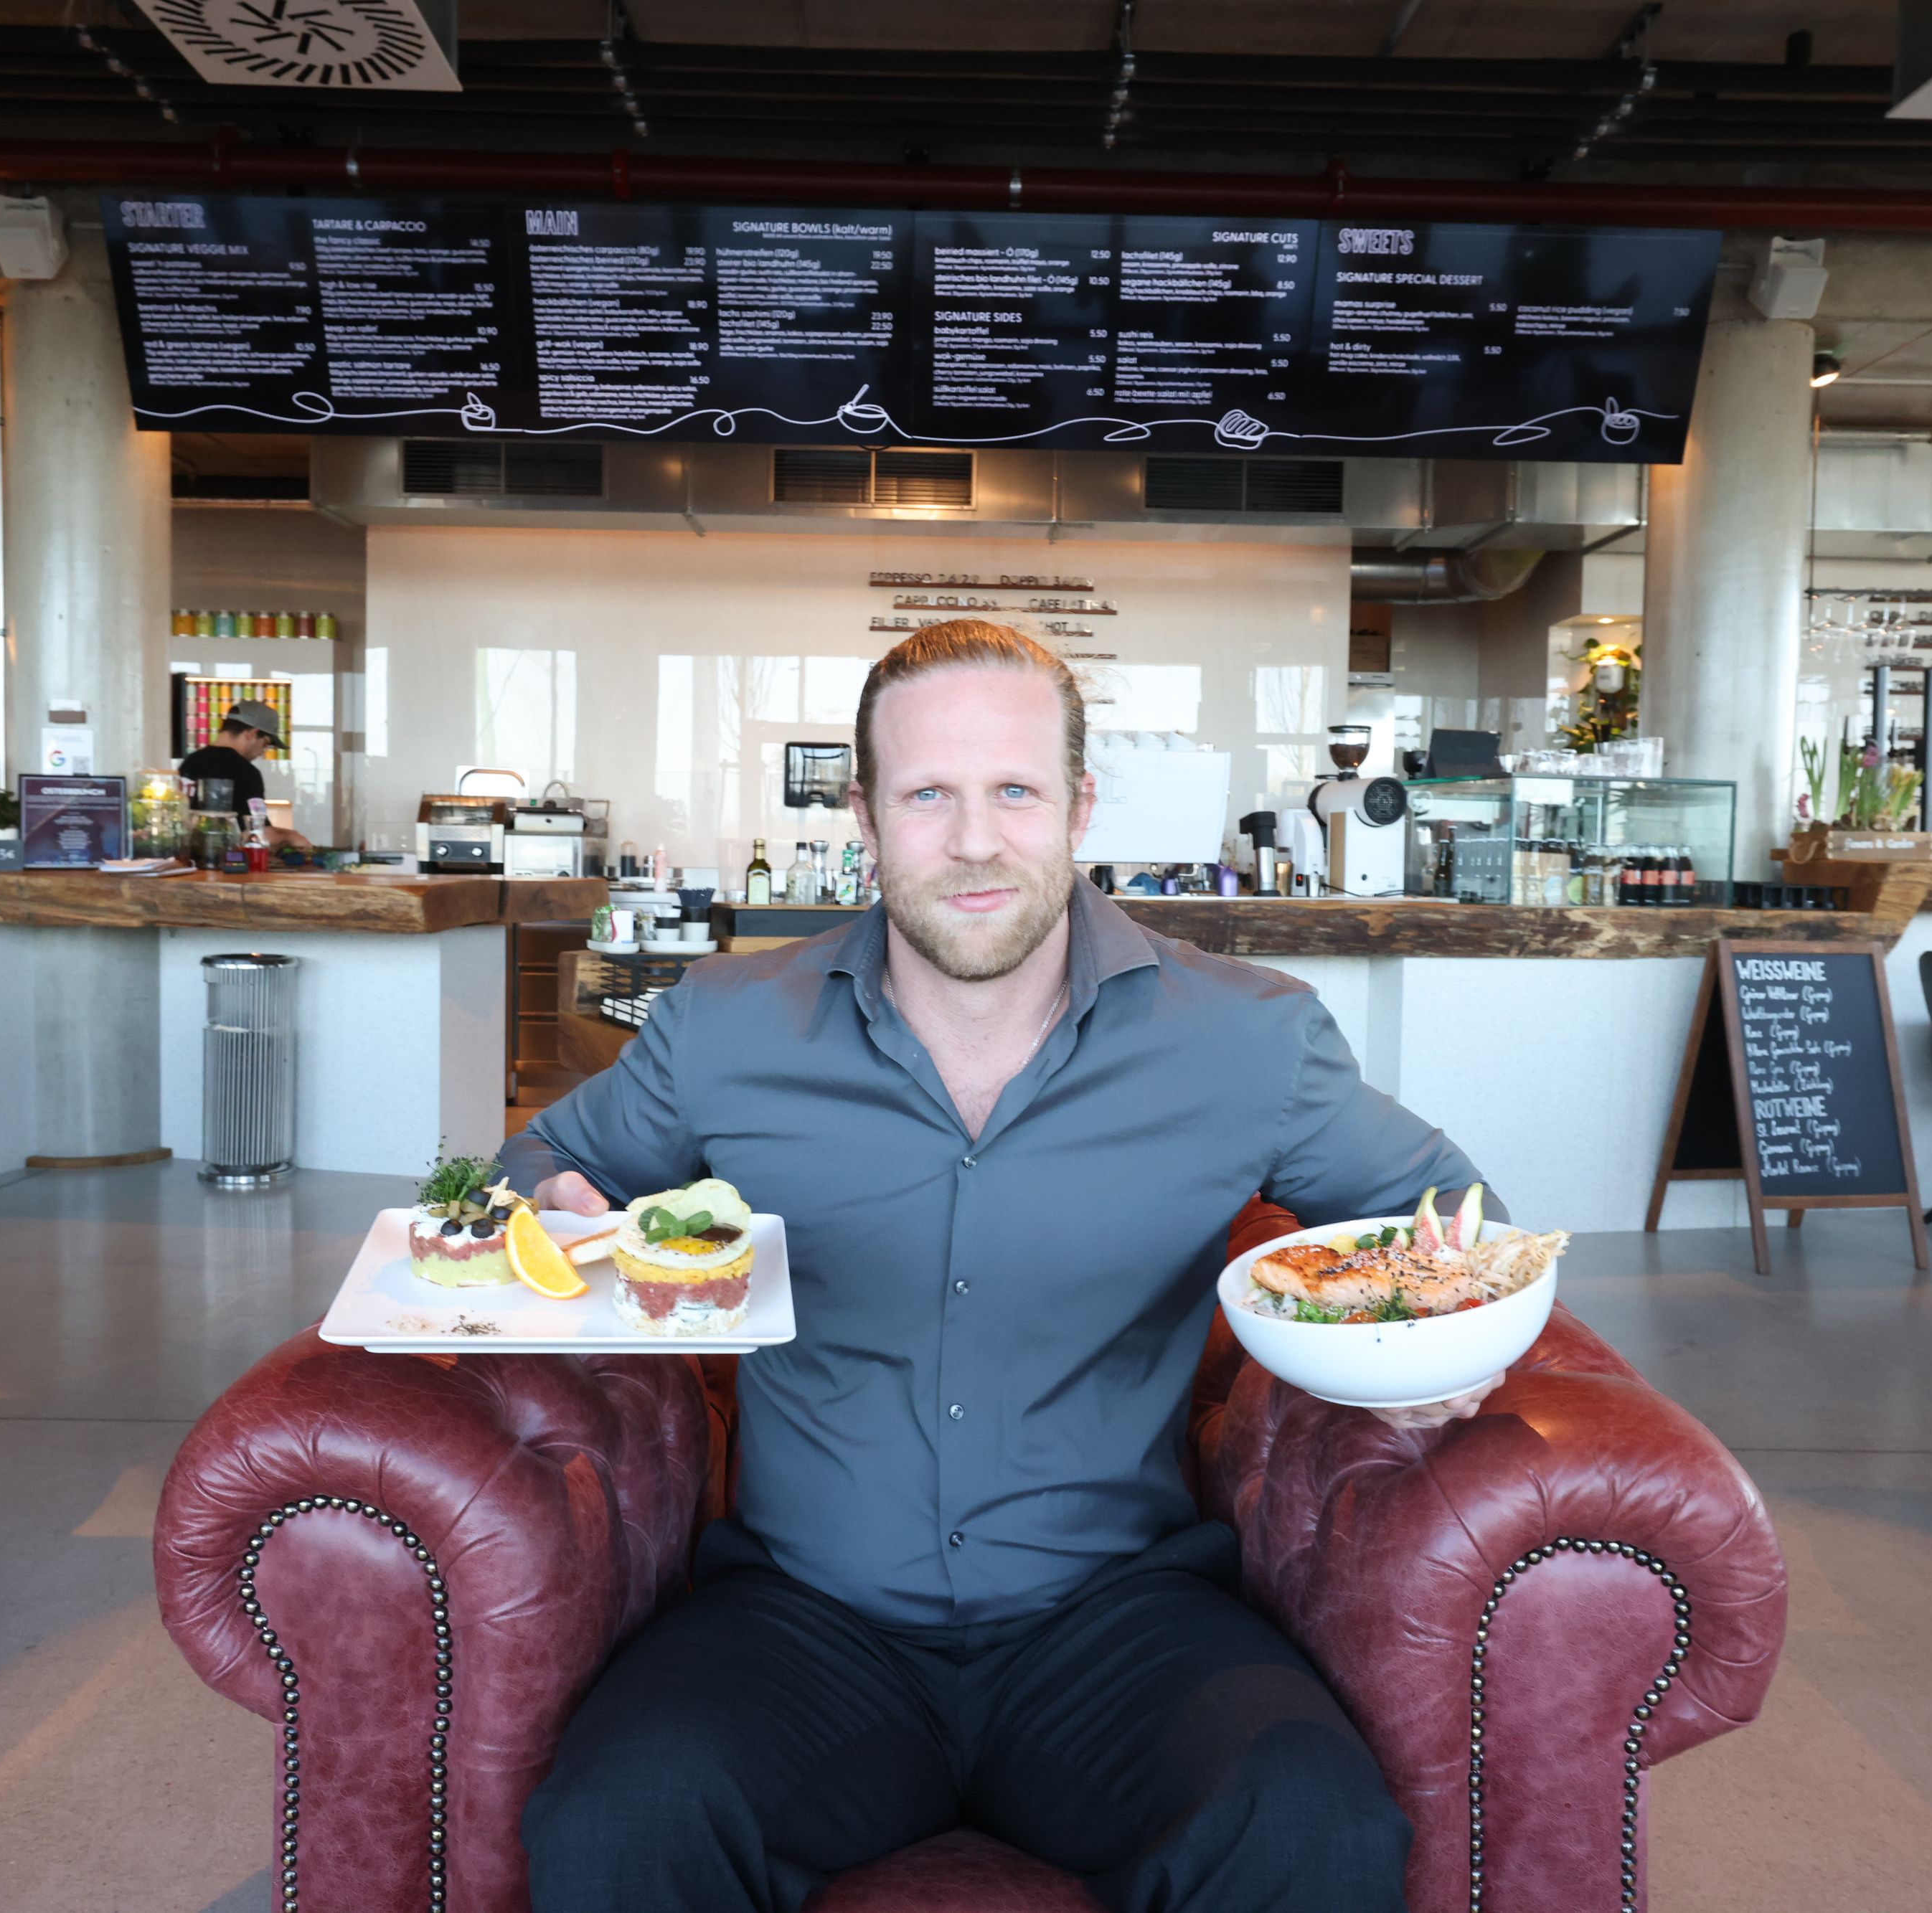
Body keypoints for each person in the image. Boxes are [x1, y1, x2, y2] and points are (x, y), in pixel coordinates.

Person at [499, 620, 1505, 1913]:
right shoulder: (723, 1028)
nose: (974, 839)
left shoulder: (1249, 1040)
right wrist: (565, 1214)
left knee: (1313, 1821)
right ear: (863, 812)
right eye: (928, 794)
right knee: (614, 1817)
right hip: (805, 1618)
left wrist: (1436, 1338)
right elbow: (528, 1172)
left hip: (1121, 1624)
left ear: (1080, 805)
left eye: (1014, 790)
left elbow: (1457, 1221)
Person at [176, 699, 308, 848]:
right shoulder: (246, 772)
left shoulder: (190, 763)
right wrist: (292, 837)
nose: (261, 753)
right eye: (265, 745)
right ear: (252, 734)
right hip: (227, 863)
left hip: (187, 862)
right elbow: (258, 833)